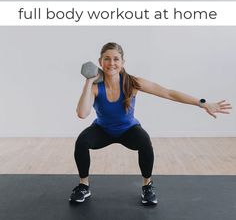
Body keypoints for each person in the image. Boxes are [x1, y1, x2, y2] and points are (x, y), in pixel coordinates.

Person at [69, 42, 232, 206]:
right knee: (82, 141)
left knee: (144, 141)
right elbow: (82, 114)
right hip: (102, 130)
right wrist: (89, 82)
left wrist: (202, 103)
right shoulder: (96, 87)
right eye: (107, 59)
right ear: (100, 61)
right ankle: (84, 185)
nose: (111, 63)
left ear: (123, 62)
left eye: (116, 59)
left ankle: (147, 185)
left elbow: (168, 93)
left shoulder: (132, 83)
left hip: (128, 130)